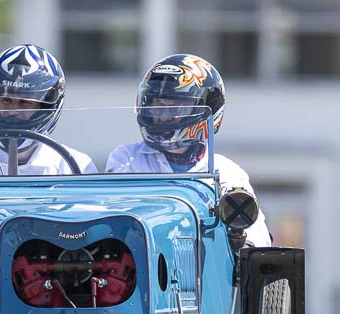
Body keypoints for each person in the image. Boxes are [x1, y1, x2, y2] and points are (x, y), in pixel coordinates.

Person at [106, 54, 271, 248]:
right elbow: (116, 227)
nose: (164, 116)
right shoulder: (127, 159)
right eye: (158, 105)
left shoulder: (227, 172)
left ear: (206, 110)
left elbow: (257, 239)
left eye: (176, 107)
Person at [0, 44, 98, 177]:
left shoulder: (74, 167)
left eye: (24, 102)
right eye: (6, 101)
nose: (12, 112)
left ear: (46, 108)